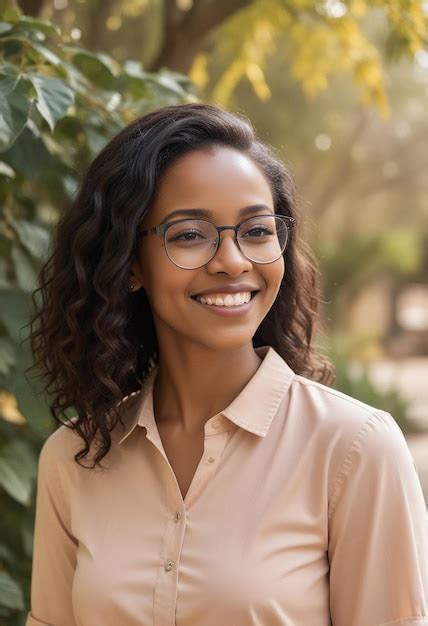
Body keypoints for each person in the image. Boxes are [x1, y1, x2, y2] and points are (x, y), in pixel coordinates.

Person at [25, 103, 427, 626]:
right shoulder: (74, 458)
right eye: (189, 234)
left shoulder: (353, 449)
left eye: (257, 231)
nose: (233, 261)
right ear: (128, 266)